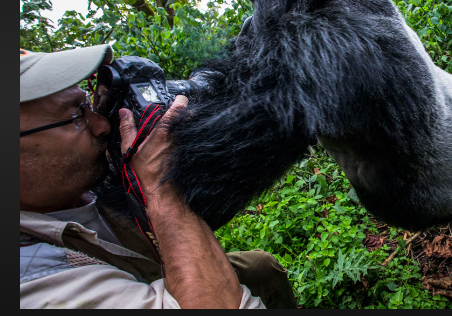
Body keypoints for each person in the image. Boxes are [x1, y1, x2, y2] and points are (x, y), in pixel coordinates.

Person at [20, 45, 297, 309]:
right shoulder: (32, 279)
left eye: (89, 104)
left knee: (263, 269)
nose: (102, 124)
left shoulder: (67, 187)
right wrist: (158, 185)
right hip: (143, 284)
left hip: (149, 267)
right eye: (77, 115)